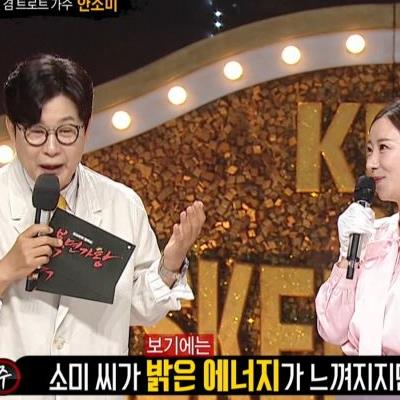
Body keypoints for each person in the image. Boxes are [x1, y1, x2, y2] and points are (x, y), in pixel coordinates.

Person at [0, 54, 206, 360]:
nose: (52, 148)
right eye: (36, 132)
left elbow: (138, 310)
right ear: (12, 129)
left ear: (86, 129)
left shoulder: (122, 204)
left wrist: (170, 264)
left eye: (66, 131)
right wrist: (6, 270)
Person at [316, 99, 400, 356]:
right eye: (369, 150)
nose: (371, 163)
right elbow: (332, 330)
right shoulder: (376, 237)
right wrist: (347, 257)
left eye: (383, 147)